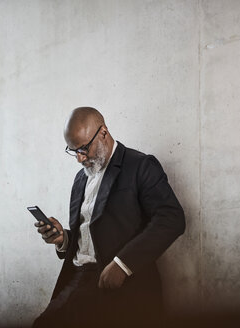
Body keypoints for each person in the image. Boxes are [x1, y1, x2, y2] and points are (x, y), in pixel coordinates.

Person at [33, 107, 185, 328]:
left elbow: (172, 218)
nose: (79, 158)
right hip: (77, 278)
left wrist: (123, 264)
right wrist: (63, 240)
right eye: (73, 150)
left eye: (84, 148)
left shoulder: (140, 166)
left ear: (103, 132)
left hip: (120, 284)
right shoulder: (80, 179)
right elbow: (89, 235)